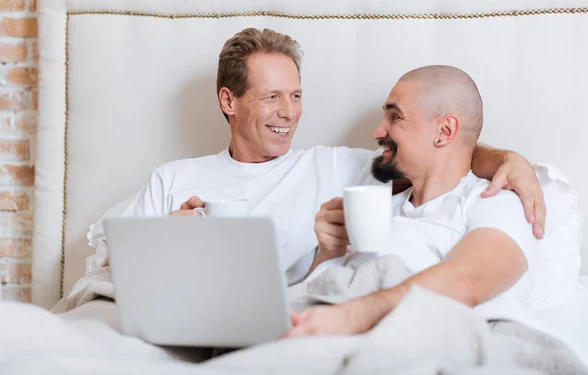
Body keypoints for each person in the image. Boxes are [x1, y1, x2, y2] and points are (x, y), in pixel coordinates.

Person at [88, 29, 545, 286]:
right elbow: (104, 276)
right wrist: (165, 238)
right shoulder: (173, 179)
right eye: (271, 96)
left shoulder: (336, 168)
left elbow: (434, 154)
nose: (289, 112)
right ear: (229, 101)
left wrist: (508, 160)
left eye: (296, 95)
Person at [286, 65, 557, 337]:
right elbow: (320, 296)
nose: (378, 132)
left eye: (395, 116)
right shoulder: (380, 206)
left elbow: (468, 279)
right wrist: (328, 254)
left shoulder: (495, 201)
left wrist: (353, 316)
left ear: (445, 131)